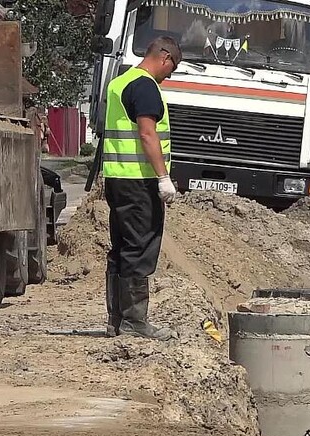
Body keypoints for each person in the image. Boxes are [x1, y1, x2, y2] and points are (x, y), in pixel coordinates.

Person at [102, 36, 181, 340]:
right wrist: (163, 178)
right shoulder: (146, 86)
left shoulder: (120, 83)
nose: (170, 75)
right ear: (164, 58)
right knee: (139, 247)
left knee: (122, 247)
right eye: (172, 67)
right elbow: (148, 135)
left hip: (118, 179)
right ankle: (134, 322)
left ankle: (116, 320)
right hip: (139, 182)